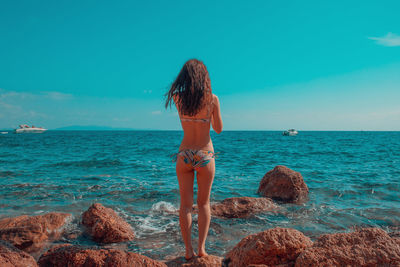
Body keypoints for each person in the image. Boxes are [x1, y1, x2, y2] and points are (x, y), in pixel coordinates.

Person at [165, 59, 223, 260]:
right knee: (204, 204)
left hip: (184, 155)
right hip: (205, 155)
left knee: (185, 205)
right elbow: (218, 129)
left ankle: (188, 251)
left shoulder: (177, 98)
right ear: (203, 77)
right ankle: (202, 250)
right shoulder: (212, 99)